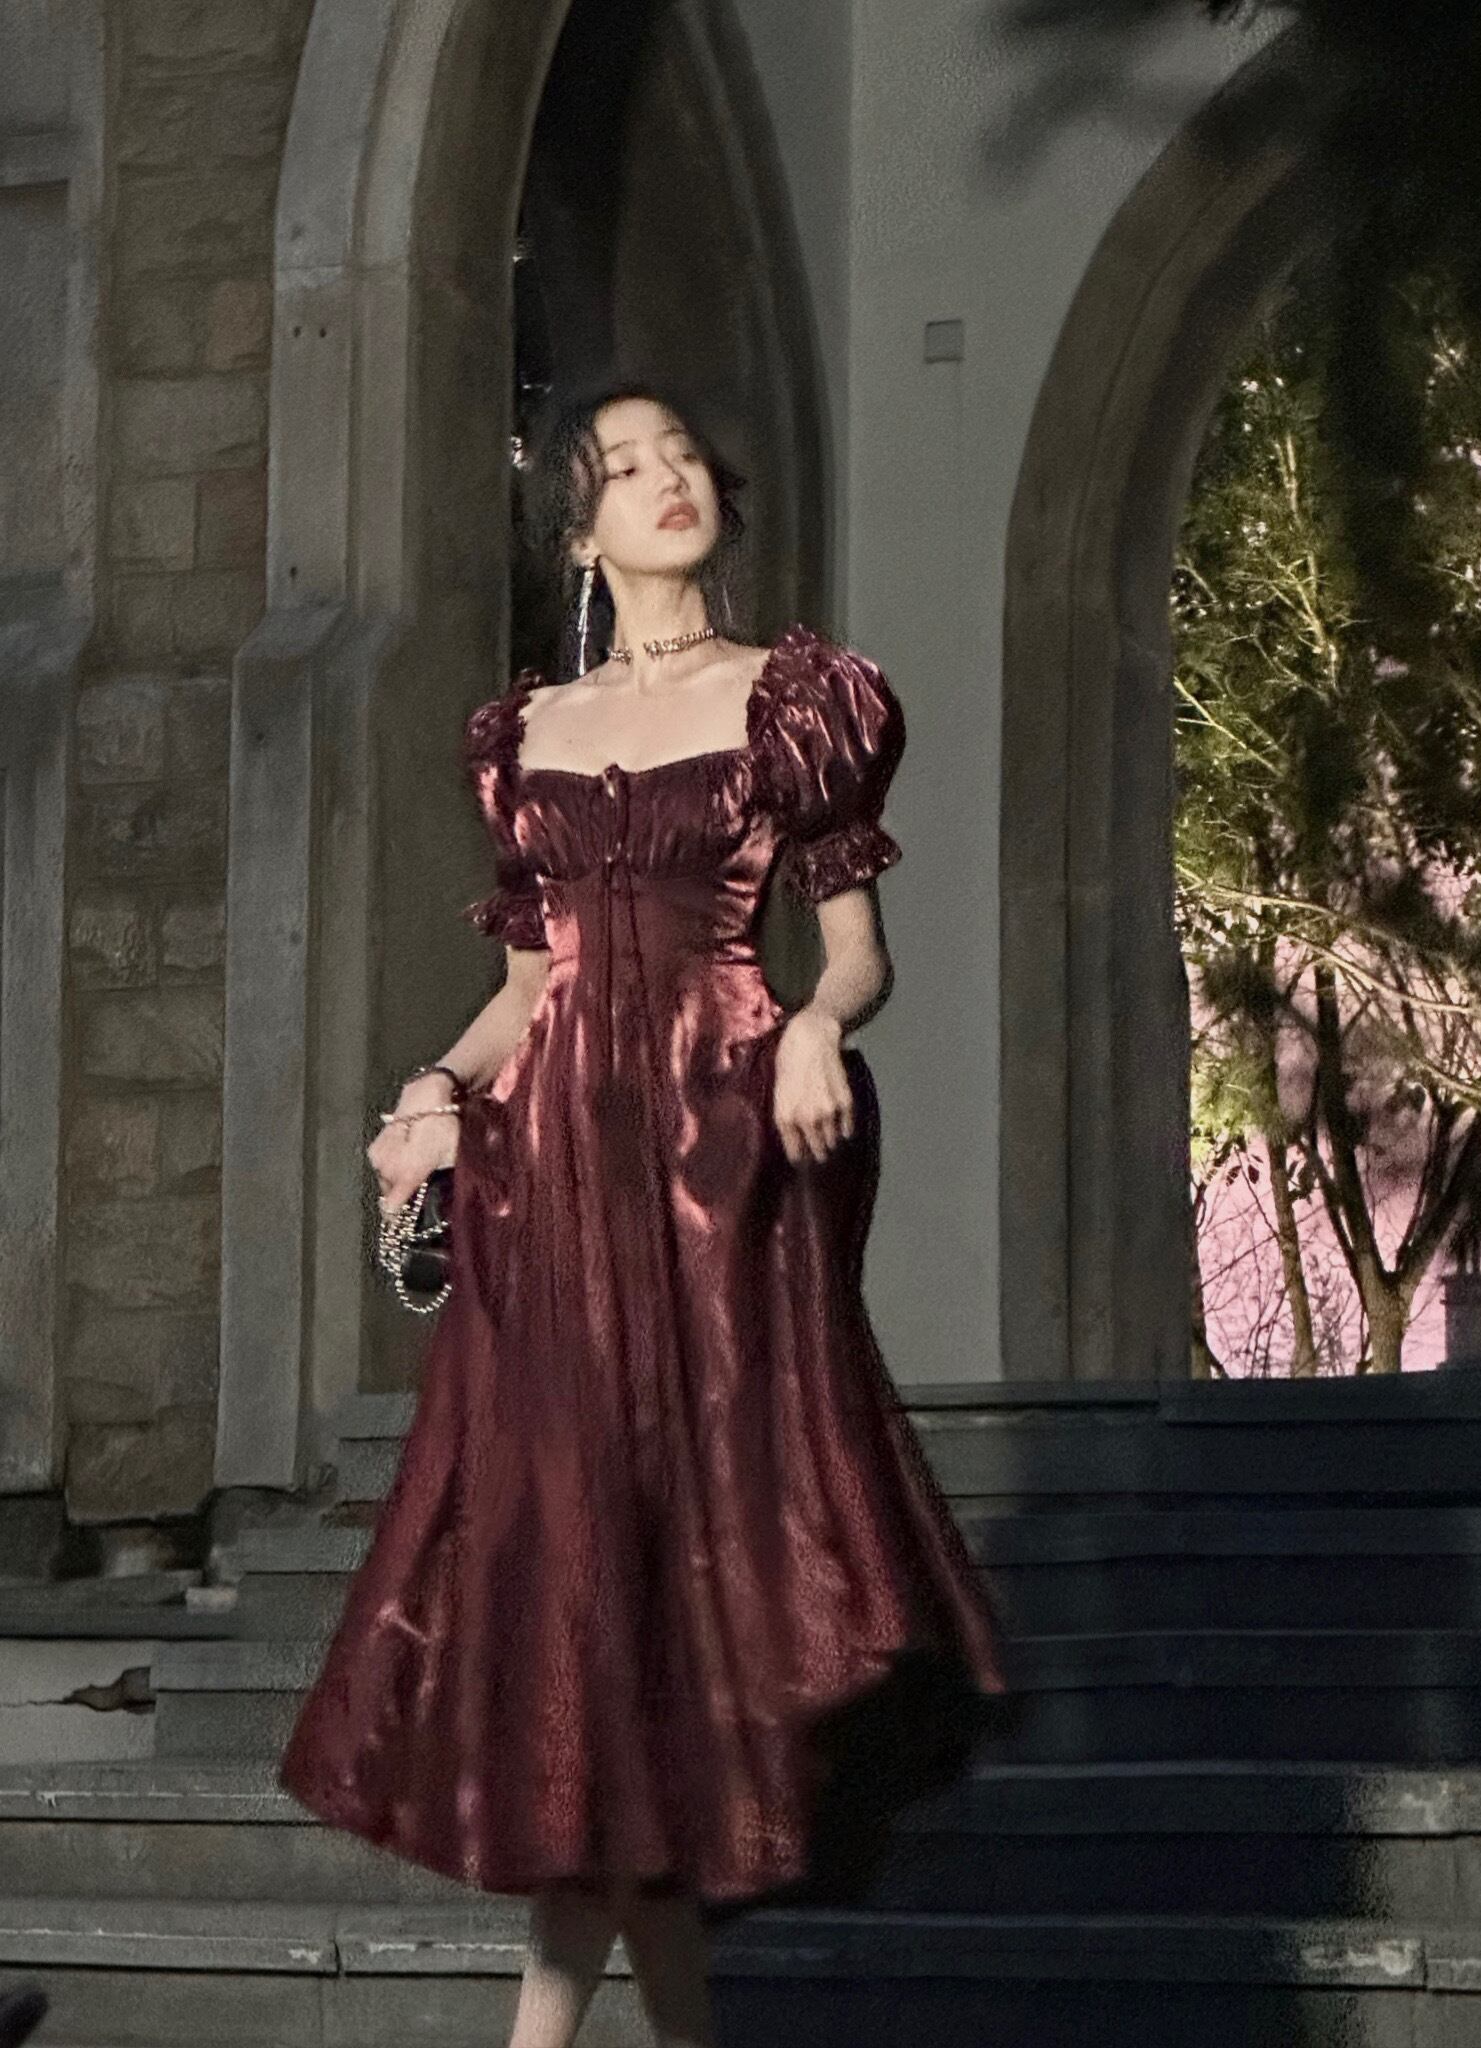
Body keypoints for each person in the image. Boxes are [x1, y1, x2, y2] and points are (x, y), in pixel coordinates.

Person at [278, 382, 1009, 2048]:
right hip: (550, 1193)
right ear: (576, 529)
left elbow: (857, 957)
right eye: (624, 465)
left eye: (684, 453)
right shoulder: (521, 734)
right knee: (588, 1610)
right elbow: (526, 990)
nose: (668, 477)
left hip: (720, 1172)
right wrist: (427, 1094)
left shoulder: (798, 702)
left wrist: (816, 1028)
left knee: (660, 1602)